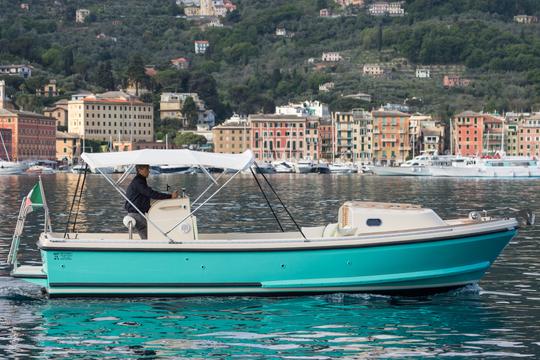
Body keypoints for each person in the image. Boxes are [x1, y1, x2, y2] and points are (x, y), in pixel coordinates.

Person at [125, 164, 178, 239]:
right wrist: (170, 196)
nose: (149, 171)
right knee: (150, 236)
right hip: (137, 214)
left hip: (137, 213)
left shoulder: (139, 181)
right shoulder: (138, 182)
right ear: (140, 170)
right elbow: (151, 194)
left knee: (148, 235)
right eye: (147, 169)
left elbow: (147, 195)